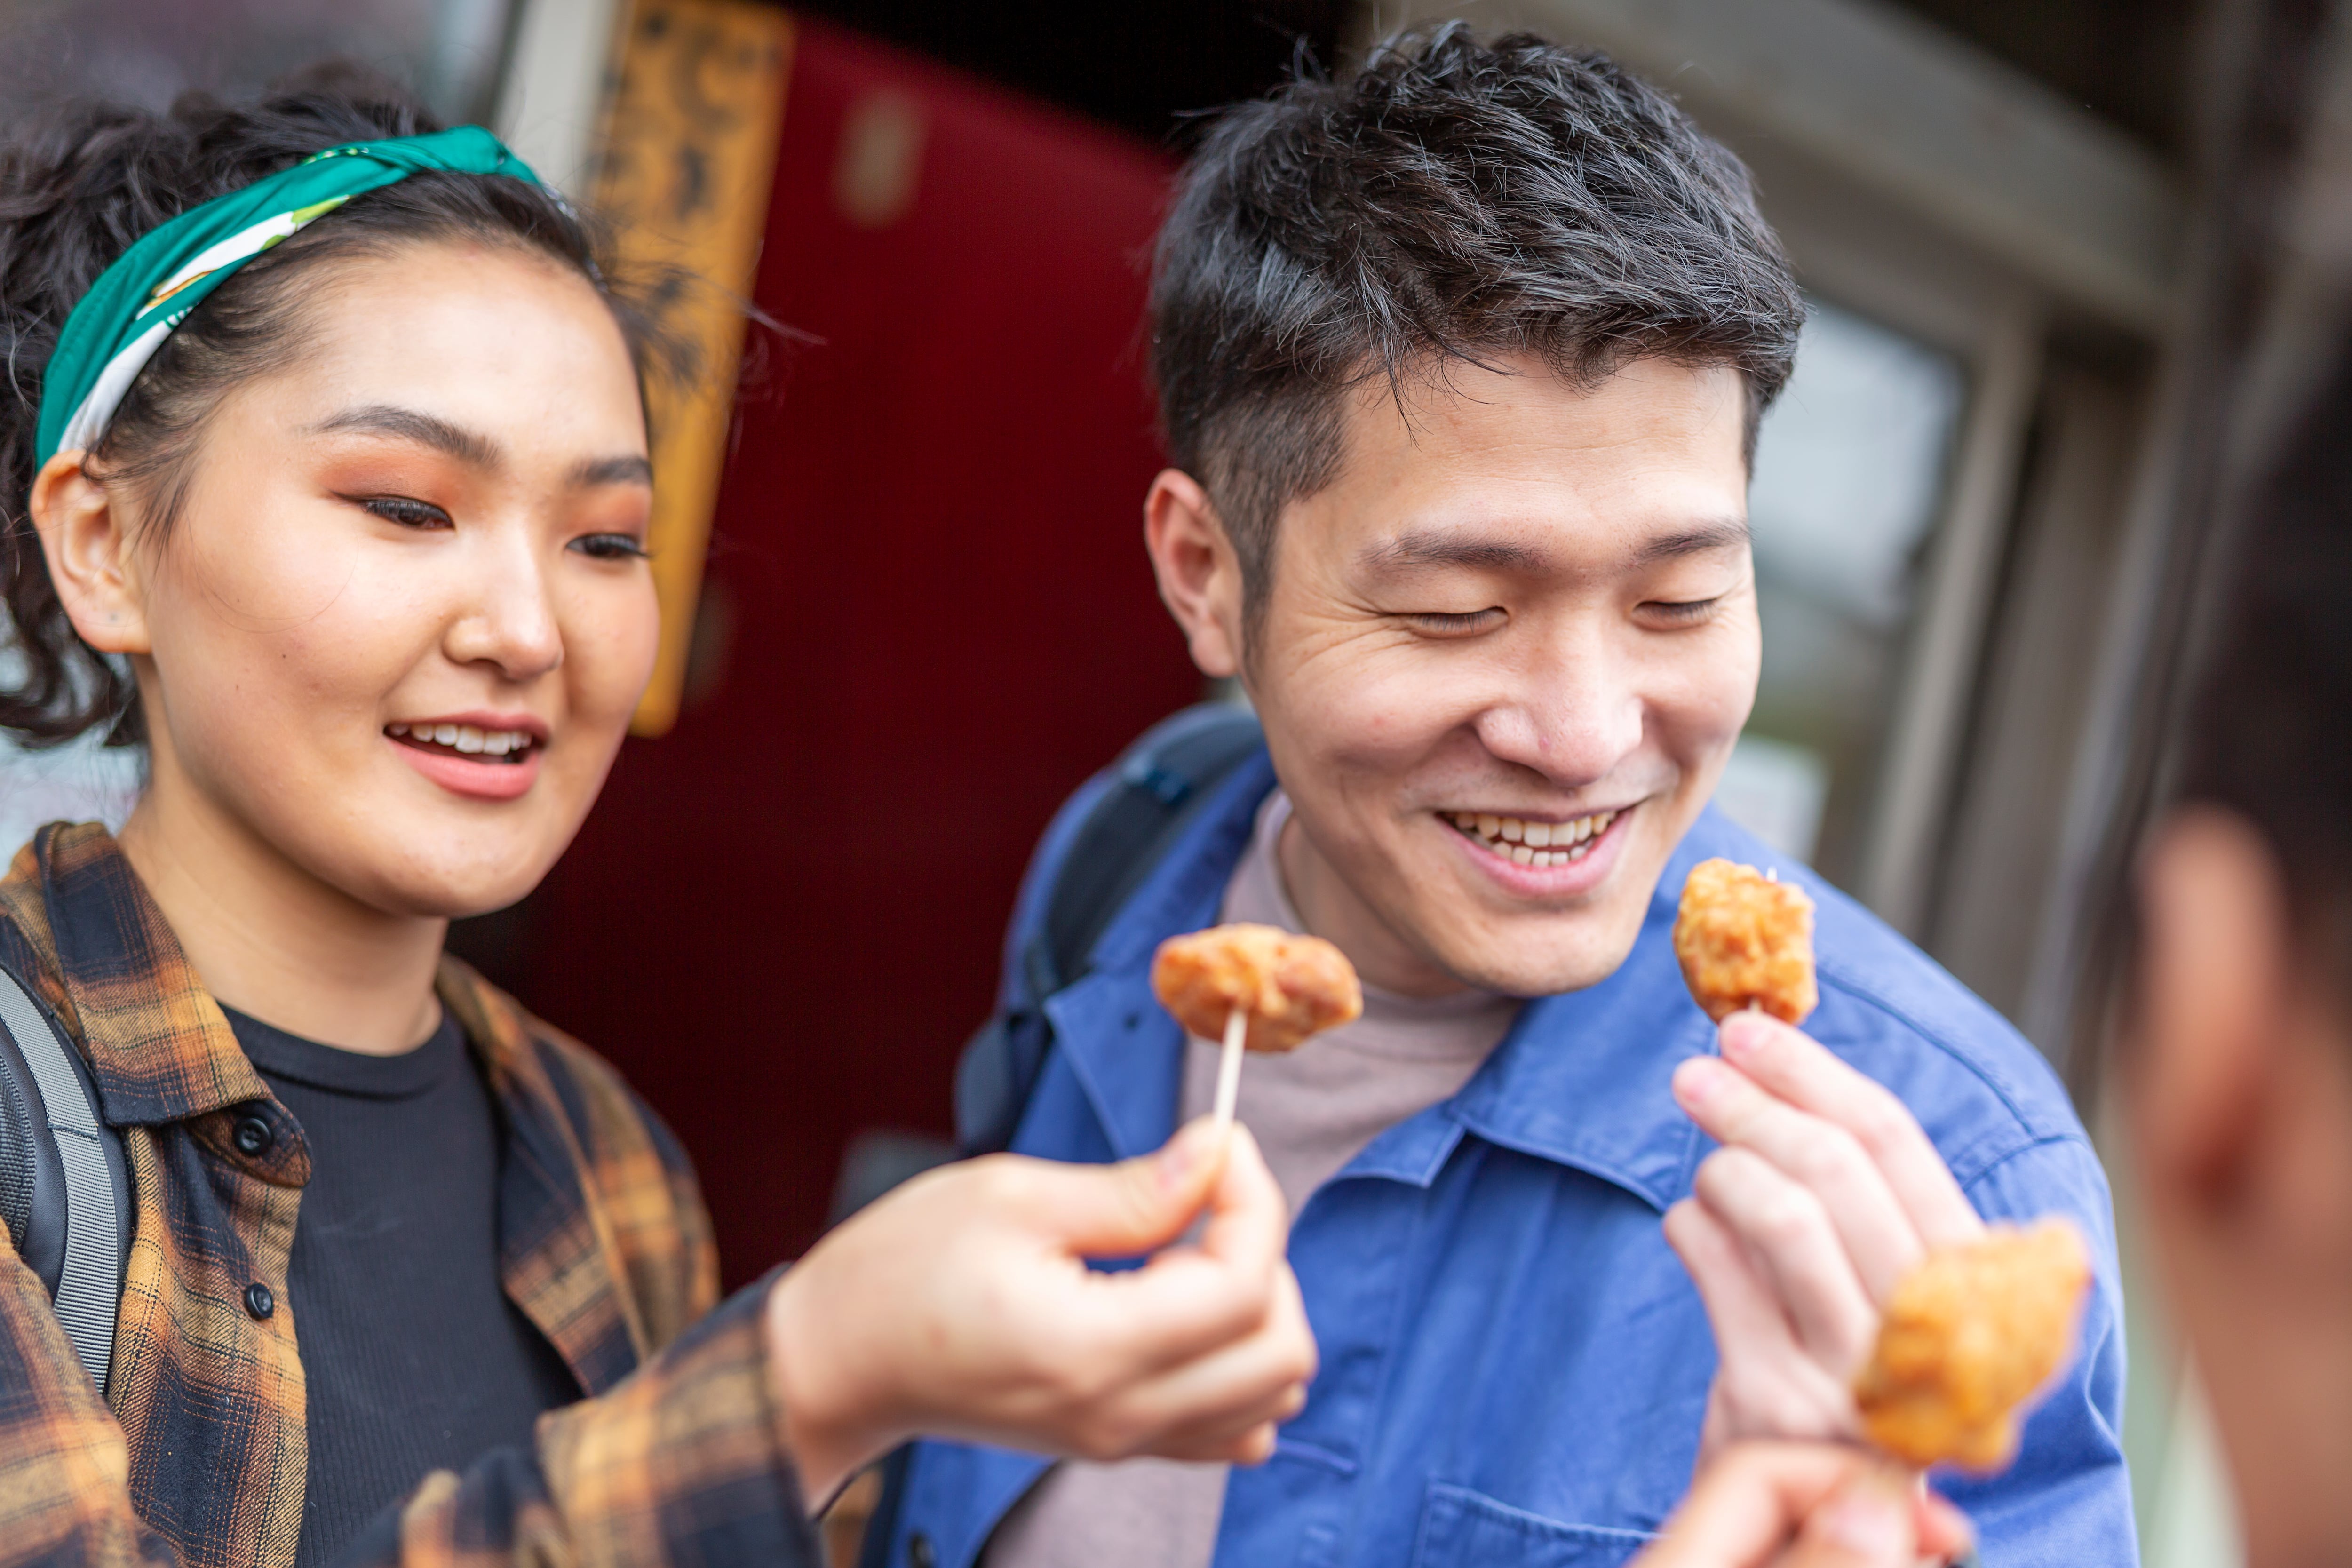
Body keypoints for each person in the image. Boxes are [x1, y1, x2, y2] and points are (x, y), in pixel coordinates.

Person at [0, 68, 1316, 1568]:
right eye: (408, 506)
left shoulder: (604, 1157)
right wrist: (805, 1384)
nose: (530, 628)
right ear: (104, 544)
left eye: (605, 538)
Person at [879, 26, 2135, 1568]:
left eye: (1679, 604)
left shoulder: (1960, 1178)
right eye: (1458, 611)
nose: (1584, 733)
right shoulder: (1120, 871)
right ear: (1207, 579)